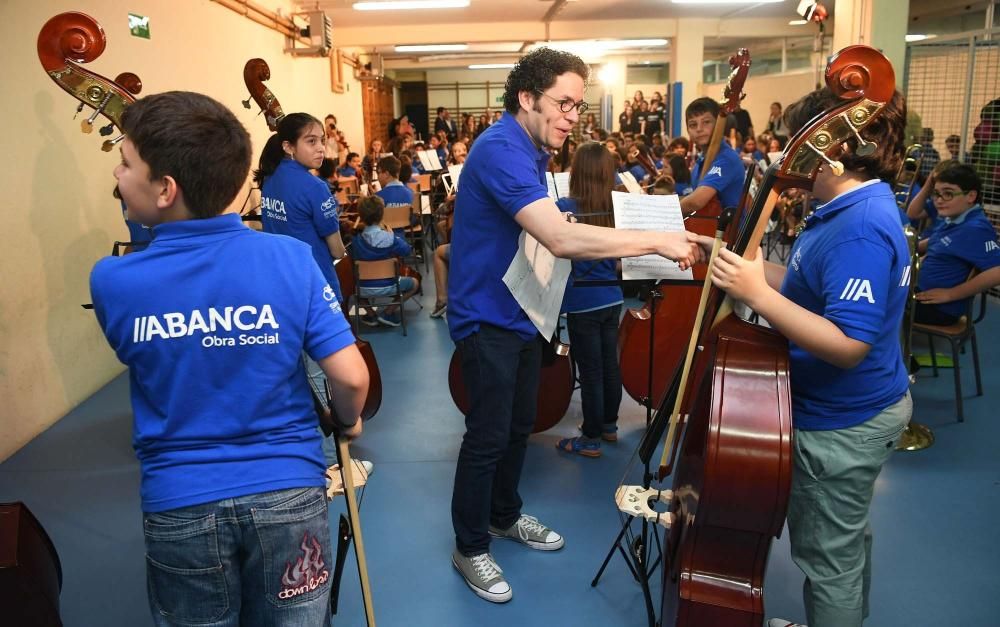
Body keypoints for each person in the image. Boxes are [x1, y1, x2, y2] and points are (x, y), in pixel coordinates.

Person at [91, 90, 368, 626]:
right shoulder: (289, 258)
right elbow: (350, 377)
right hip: (289, 488)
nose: (118, 175)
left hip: (181, 500)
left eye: (125, 163)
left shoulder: (113, 281)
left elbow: (149, 359)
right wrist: (347, 421)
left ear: (166, 189)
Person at [447, 47, 705, 604]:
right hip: (487, 315)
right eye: (562, 103)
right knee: (488, 435)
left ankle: (503, 515)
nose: (570, 115)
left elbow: (535, 225)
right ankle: (470, 546)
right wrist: (658, 239)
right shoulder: (500, 148)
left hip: (521, 312)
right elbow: (559, 241)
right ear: (527, 98)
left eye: (577, 106)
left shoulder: (533, 150)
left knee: (518, 426)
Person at [709, 86, 913, 627]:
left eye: (805, 151)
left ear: (837, 152)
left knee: (828, 560)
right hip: (847, 408)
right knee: (843, 543)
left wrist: (756, 296)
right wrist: (739, 269)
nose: (794, 163)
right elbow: (806, 286)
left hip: (844, 419)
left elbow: (848, 344)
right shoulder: (845, 208)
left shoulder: (860, 228)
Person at [554, 143, 624, 457]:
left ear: (577, 172)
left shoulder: (565, 205)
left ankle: (590, 437)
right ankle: (609, 426)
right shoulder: (615, 207)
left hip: (582, 299)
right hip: (612, 297)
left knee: (591, 370)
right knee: (610, 364)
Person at [255, 113, 347, 304]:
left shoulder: (269, 179)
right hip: (315, 282)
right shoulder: (315, 187)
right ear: (288, 146)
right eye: (311, 141)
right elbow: (338, 251)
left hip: (283, 279)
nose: (321, 148)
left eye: (322, 140)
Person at [913, 162, 1000, 325]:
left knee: (874, 303)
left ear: (971, 196)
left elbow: (998, 271)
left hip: (938, 308)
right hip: (920, 292)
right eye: (937, 194)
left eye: (948, 194)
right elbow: (930, 244)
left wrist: (951, 294)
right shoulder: (954, 219)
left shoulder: (975, 228)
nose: (939, 200)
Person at [351, 195, 420, 327]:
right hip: (390, 286)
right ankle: (388, 312)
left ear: (361, 216)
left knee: (355, 287)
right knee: (415, 283)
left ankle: (371, 314)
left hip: (362, 289)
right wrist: (391, 233)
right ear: (382, 214)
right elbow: (407, 250)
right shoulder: (390, 238)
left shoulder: (355, 241)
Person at [680, 97, 746, 215]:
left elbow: (696, 202)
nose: (699, 129)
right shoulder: (700, 161)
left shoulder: (726, 158)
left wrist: (663, 211)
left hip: (727, 232)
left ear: (719, 125)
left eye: (706, 122)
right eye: (693, 124)